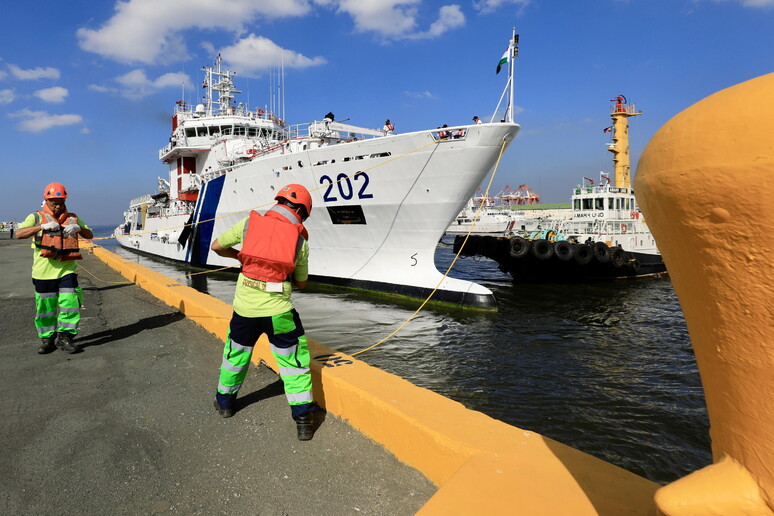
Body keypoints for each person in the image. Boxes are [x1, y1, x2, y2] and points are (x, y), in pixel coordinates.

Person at [211, 184, 316, 440]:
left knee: (235, 356)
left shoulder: (249, 224)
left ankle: (225, 405)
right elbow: (301, 283)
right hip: (279, 313)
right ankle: (303, 421)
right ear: (301, 211)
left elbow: (216, 246)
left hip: (244, 312)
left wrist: (243, 258)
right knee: (293, 364)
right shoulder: (300, 240)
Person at [15, 182, 93, 354]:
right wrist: (41, 227)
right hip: (43, 273)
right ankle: (48, 339)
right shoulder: (35, 217)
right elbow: (19, 234)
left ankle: (65, 338)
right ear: (46, 200)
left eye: (61, 202)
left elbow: (90, 234)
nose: (57, 206)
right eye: (53, 202)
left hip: (67, 270)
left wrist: (79, 228)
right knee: (45, 308)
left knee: (70, 304)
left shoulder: (73, 217)